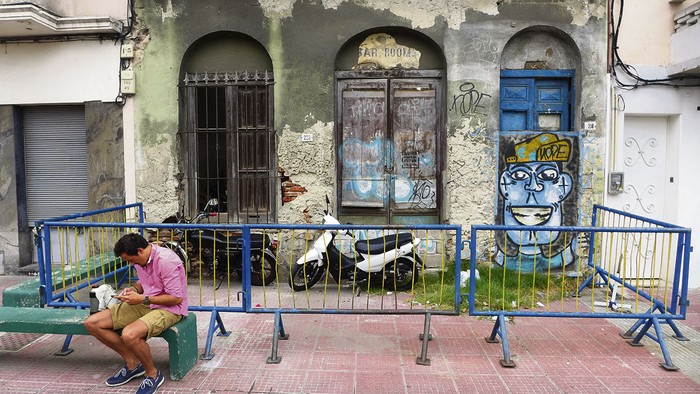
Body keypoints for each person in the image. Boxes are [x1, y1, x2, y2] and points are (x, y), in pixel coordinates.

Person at [84, 233, 188, 394]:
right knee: (92, 323)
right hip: (145, 301)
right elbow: (146, 282)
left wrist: (142, 298)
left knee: (129, 335)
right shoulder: (141, 259)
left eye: (130, 260)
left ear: (140, 250)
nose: (131, 264)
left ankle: (153, 374)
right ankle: (133, 363)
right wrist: (133, 290)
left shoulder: (167, 260)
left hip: (170, 308)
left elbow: (176, 298)